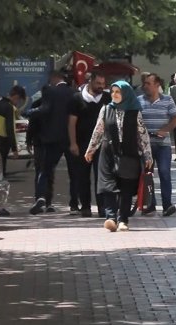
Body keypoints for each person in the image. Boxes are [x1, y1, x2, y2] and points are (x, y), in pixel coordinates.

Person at [85, 81, 152, 232]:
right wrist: (91, 149)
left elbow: (143, 136)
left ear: (125, 94)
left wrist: (148, 155)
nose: (114, 95)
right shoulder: (106, 109)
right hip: (108, 152)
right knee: (108, 185)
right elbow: (98, 131)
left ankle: (123, 219)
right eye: (112, 91)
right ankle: (110, 218)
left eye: (118, 92)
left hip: (129, 153)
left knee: (126, 187)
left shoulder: (135, 112)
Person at [30, 70, 78, 215]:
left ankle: (41, 197)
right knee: (74, 173)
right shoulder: (75, 93)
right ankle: (74, 203)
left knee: (45, 170)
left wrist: (29, 112)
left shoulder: (50, 92)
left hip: (52, 138)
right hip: (70, 139)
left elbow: (45, 110)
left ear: (54, 78)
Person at [68, 72, 109, 218]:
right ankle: (85, 206)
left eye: (103, 84)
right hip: (82, 144)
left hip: (102, 144)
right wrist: (73, 143)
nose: (101, 87)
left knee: (102, 176)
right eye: (98, 84)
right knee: (82, 176)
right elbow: (72, 122)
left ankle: (102, 207)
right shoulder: (77, 98)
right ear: (90, 81)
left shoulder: (107, 98)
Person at [138, 73, 176, 216]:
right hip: (145, 145)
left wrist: (165, 130)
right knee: (147, 175)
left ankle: (167, 204)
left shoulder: (167, 100)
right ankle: (150, 204)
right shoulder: (139, 101)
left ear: (157, 85)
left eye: (148, 83)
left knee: (164, 172)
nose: (145, 86)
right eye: (144, 83)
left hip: (163, 145)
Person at [0, 85, 25, 176]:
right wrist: (14, 149)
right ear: (16, 97)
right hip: (3, 141)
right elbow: (10, 128)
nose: (18, 104)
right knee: (1, 169)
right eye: (19, 101)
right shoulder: (9, 107)